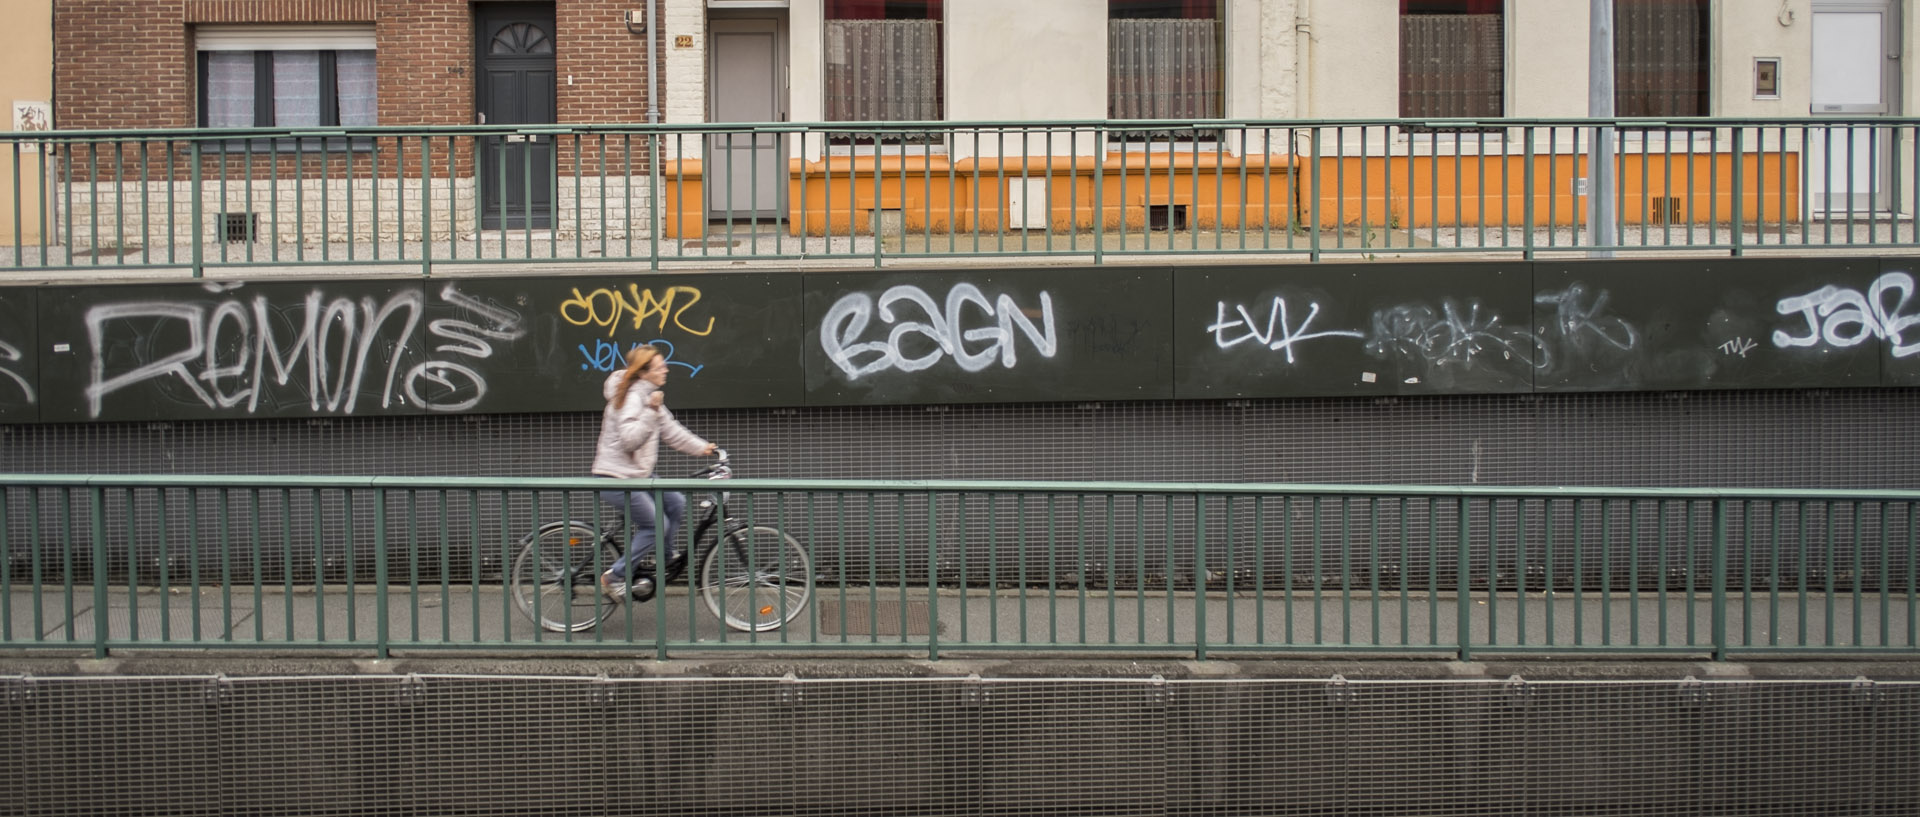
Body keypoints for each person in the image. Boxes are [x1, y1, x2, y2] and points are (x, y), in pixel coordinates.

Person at [590, 344, 717, 597]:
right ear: (644, 371)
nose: (667, 370)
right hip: (616, 478)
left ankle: (664, 556)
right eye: (661, 367)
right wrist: (651, 411)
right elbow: (630, 440)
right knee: (656, 525)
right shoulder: (631, 398)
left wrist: (705, 448)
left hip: (637, 475)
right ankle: (614, 576)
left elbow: (672, 431)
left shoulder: (648, 396)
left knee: (676, 503)